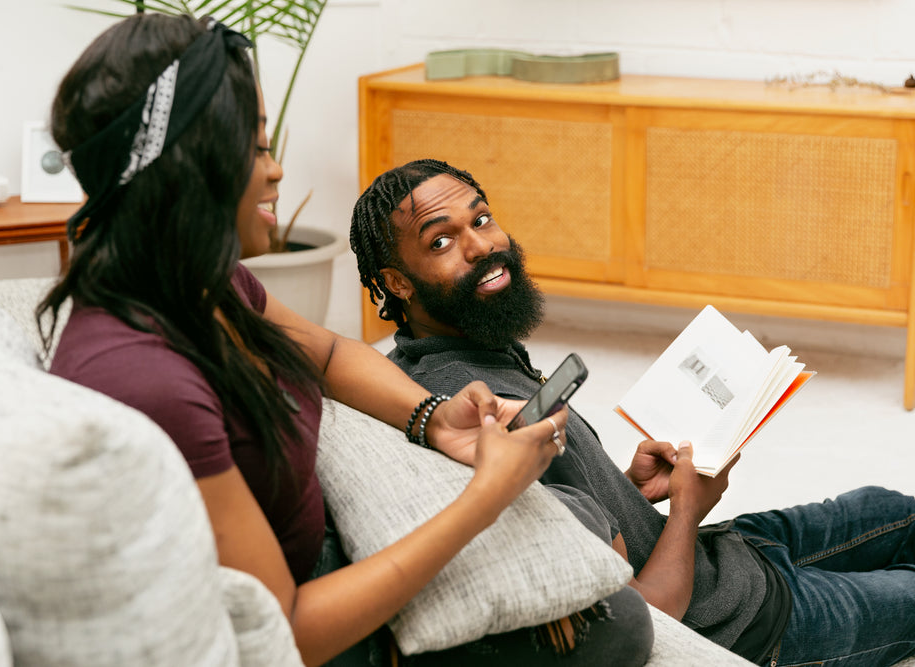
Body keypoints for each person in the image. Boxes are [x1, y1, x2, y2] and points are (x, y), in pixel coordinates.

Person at [37, 15, 653, 667]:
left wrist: (435, 418)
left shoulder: (199, 283)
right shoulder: (146, 377)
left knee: (577, 515)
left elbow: (329, 354)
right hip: (321, 627)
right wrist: (483, 500)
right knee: (622, 624)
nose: (276, 173)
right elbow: (283, 633)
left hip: (328, 549)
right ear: (196, 170)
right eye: (256, 151)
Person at [350, 158, 915, 667]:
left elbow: (580, 525)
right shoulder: (472, 417)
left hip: (726, 555)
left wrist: (626, 489)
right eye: (441, 243)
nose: (481, 247)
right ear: (397, 282)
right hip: (746, 624)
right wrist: (690, 510)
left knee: (890, 509)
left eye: (480, 219)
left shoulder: (452, 355)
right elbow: (642, 618)